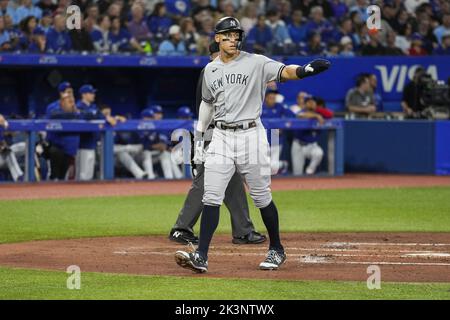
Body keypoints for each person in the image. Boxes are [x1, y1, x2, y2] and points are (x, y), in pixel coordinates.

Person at [175, 16, 330, 273]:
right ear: (217, 38)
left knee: (261, 196)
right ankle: (201, 256)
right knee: (211, 196)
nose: (233, 39)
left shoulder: (256, 62)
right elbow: (207, 104)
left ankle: (277, 249)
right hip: (221, 136)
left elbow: (285, 71)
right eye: (228, 34)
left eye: (237, 35)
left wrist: (305, 71)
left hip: (250, 134)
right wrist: (199, 139)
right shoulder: (211, 70)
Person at [169, 42, 266, 246]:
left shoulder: (226, 71)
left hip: (226, 135)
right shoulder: (211, 71)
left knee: (234, 184)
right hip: (213, 134)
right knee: (204, 183)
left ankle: (243, 230)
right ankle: (181, 228)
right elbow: (206, 110)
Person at [290, 94, 333, 175]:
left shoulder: (319, 112)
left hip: (311, 145)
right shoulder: (302, 112)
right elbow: (300, 115)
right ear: (305, 104)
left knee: (319, 153)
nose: (312, 103)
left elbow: (330, 114)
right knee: (297, 173)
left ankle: (309, 171)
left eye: (313, 102)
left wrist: (319, 112)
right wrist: (317, 116)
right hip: (298, 145)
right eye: (309, 102)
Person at [45, 84, 80, 181]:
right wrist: (73, 113)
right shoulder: (53, 106)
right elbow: (53, 116)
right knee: (53, 176)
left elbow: (83, 116)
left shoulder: (74, 106)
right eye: (68, 92)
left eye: (71, 92)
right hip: (55, 147)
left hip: (69, 148)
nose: (70, 94)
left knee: (62, 178)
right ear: (61, 94)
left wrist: (75, 112)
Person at [261, 89, 295, 175]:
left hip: (275, 135)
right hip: (262, 136)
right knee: (262, 166)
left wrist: (282, 126)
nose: (273, 99)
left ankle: (282, 165)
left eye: (274, 97)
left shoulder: (279, 106)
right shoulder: (260, 107)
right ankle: (282, 164)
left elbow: (292, 116)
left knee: (274, 168)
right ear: (266, 98)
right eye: (270, 97)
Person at [75, 84, 103, 181]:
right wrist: (92, 115)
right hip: (82, 145)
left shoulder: (94, 107)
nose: (93, 95)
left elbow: (102, 117)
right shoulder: (78, 106)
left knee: (89, 176)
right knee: (82, 176)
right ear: (84, 95)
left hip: (92, 144)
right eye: (91, 93)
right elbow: (82, 118)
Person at [0, 113, 24, 182]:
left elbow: (13, 133)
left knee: (25, 146)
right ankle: (19, 178)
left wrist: (5, 127)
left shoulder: (4, 123)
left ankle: (19, 177)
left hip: (4, 155)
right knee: (8, 152)